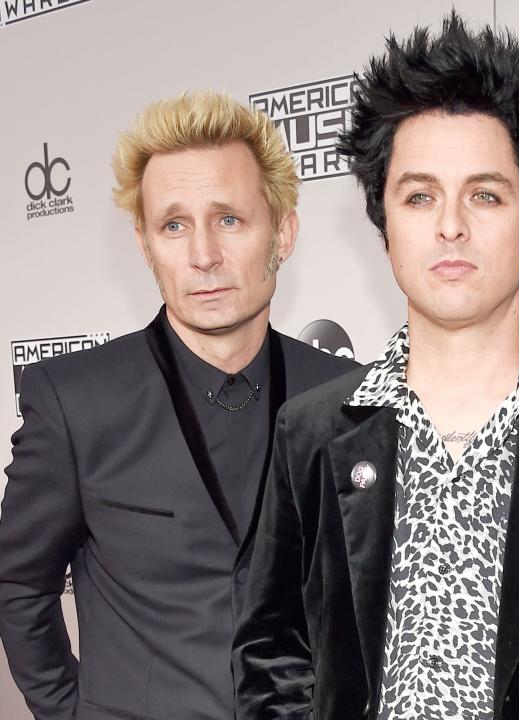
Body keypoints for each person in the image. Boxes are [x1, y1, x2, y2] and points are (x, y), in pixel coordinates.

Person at [233, 13, 519, 720]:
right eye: (419, 196)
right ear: (384, 227)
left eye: (485, 195)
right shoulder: (310, 433)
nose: (450, 226)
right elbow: (270, 656)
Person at [0, 91, 354, 720]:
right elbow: (19, 584)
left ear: (283, 231)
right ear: (145, 245)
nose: (203, 256)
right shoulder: (75, 401)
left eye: (228, 219)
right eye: (174, 225)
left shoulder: (349, 397)